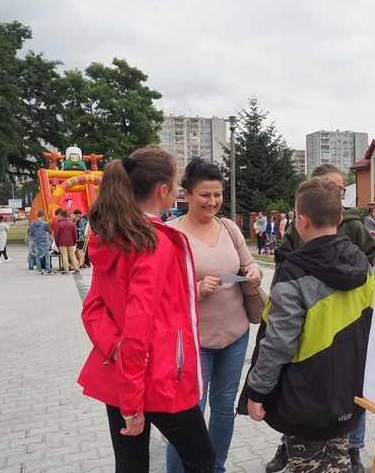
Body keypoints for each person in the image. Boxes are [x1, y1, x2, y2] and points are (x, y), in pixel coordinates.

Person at [77, 146, 215, 473]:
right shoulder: (153, 242)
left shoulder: (113, 236)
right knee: (202, 458)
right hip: (157, 376)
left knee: (131, 465)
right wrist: (132, 400)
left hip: (122, 373)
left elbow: (93, 308)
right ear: (163, 191)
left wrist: (116, 349)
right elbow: (139, 327)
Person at [244, 176, 375, 473]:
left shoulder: (293, 272)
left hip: (305, 397)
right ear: (340, 218)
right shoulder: (363, 264)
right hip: (348, 389)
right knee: (339, 463)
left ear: (300, 221)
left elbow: (279, 342)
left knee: (306, 466)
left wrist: (257, 390)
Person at [166, 159, 263, 473]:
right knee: (189, 414)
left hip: (234, 335)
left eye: (217, 195)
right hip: (194, 341)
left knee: (223, 408)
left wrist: (254, 271)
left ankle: (214, 468)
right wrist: (194, 289)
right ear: (187, 194)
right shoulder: (170, 234)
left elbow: (248, 263)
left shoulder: (229, 227)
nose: (212, 202)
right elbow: (158, 292)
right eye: (205, 195)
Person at [55, 209, 80, 274]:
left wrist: (57, 243)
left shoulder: (59, 224)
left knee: (64, 256)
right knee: (72, 255)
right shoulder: (72, 224)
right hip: (70, 242)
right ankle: (76, 268)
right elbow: (75, 234)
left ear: (62, 216)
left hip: (62, 242)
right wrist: (75, 241)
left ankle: (66, 270)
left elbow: (56, 235)